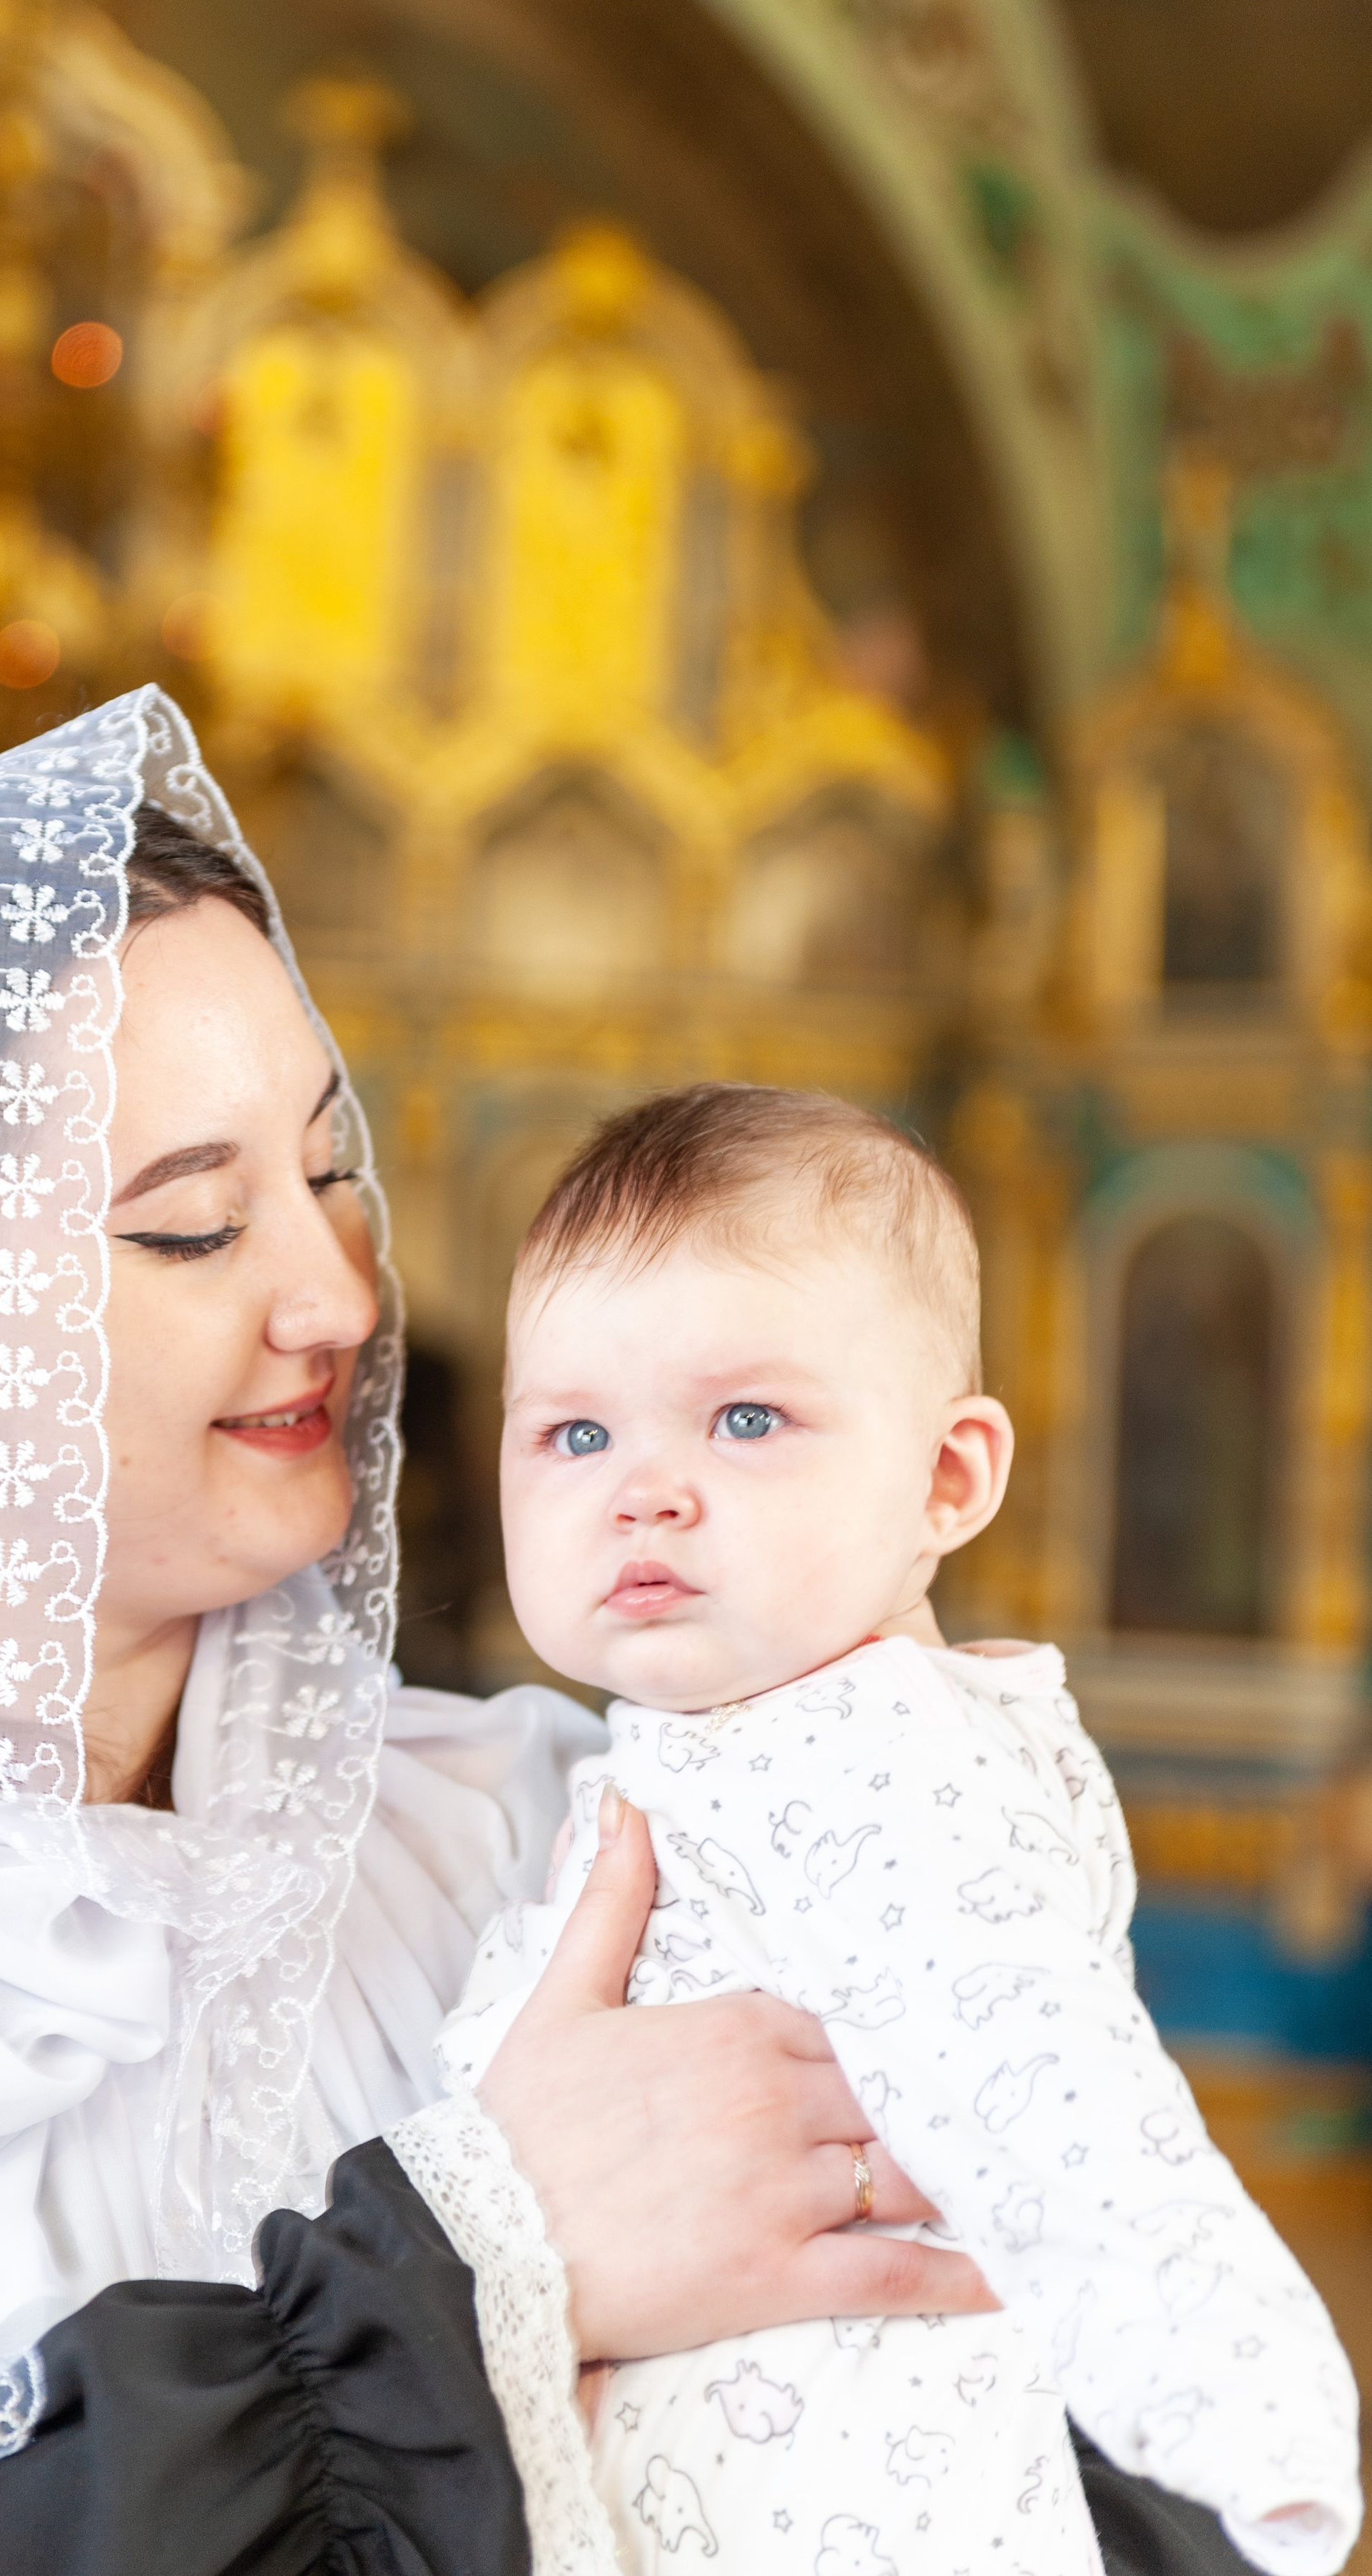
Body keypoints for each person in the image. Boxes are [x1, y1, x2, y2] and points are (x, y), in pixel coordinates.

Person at [0, 688, 1286, 2576]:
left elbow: (1046, 2386)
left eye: (329, 1171)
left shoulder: (555, 1839)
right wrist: (488, 2253)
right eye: (197, 1229)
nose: (339, 1298)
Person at [437, 1083, 1361, 2576]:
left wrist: (1249, 2441)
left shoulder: (884, 1748)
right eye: (573, 1431)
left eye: (746, 1419)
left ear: (946, 1478)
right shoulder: (705, 1746)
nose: (641, 1493)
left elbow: (1049, 2086)